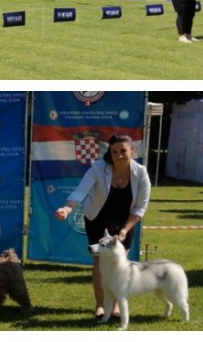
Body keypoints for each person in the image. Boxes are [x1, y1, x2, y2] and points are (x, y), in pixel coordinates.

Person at [54, 133, 151, 321]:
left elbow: (140, 207)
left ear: (132, 150)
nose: (119, 155)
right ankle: (100, 306)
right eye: (114, 151)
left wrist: (124, 230)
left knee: (119, 265)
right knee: (100, 263)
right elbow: (81, 191)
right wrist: (67, 208)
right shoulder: (98, 168)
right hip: (98, 219)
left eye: (123, 151)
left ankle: (114, 308)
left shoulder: (141, 173)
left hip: (125, 221)